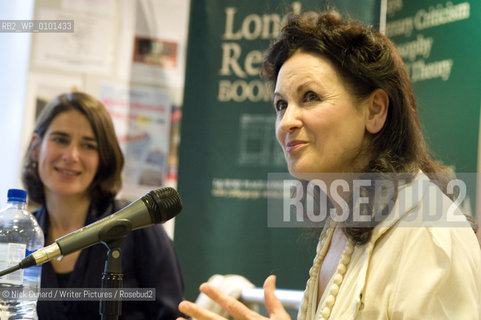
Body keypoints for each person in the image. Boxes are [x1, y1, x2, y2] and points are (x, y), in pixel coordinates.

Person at [177, 11, 481, 320]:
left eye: (310, 97)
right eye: (281, 105)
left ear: (375, 111)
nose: (287, 122)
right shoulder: (345, 218)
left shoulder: (428, 235)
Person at [22, 91, 184, 319]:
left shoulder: (138, 226)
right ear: (36, 147)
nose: (71, 155)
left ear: (103, 158)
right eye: (60, 139)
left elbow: (175, 314)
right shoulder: (20, 233)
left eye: (88, 146)